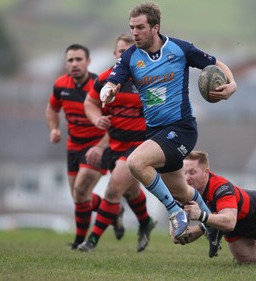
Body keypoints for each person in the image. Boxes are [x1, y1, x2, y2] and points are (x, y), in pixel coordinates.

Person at [100, 2, 237, 242]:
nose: (134, 33)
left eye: (140, 27)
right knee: (183, 192)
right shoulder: (131, 56)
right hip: (156, 134)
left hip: (181, 129)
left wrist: (232, 84)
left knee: (135, 162)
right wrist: (108, 91)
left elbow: (216, 64)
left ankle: (174, 212)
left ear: (155, 27)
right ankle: (212, 227)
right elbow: (112, 80)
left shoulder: (180, 48)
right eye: (132, 28)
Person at [79, 34, 157, 252]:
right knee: (131, 191)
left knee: (113, 190)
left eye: (131, 51)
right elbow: (90, 103)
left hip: (140, 147)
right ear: (115, 54)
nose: (127, 55)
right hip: (115, 146)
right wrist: (97, 118)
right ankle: (146, 222)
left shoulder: (147, 80)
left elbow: (162, 108)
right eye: (122, 51)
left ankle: (91, 241)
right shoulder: (105, 79)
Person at [45, 44, 125, 249]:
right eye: (70, 60)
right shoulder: (60, 85)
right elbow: (52, 109)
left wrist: (101, 146)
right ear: (66, 64)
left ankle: (80, 242)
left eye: (78, 59)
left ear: (88, 62)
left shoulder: (100, 85)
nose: (74, 64)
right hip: (73, 146)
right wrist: (54, 129)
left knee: (81, 190)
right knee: (79, 197)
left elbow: (115, 120)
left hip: (99, 146)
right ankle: (113, 211)